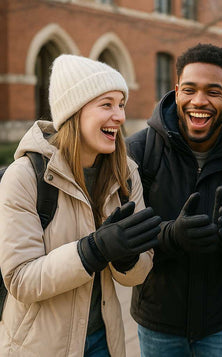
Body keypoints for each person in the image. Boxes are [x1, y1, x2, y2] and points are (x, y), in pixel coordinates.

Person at [0, 54, 161, 356]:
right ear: (74, 111)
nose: (120, 116)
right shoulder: (24, 176)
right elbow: (20, 280)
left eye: (121, 104)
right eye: (107, 104)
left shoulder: (126, 174)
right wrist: (93, 251)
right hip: (37, 347)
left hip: (103, 341)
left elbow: (139, 273)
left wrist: (126, 259)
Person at [126, 43, 222, 356]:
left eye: (213, 92)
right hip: (157, 319)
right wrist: (170, 235)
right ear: (177, 91)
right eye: (189, 89)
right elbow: (124, 237)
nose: (199, 101)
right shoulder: (139, 151)